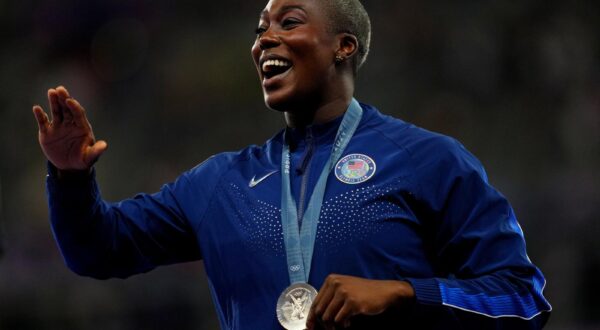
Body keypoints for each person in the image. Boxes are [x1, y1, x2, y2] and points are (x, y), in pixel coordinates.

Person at [33, 0, 552, 329]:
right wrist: (71, 177)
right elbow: (98, 250)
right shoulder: (220, 182)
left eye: (289, 21)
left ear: (343, 46)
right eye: (260, 29)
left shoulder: (429, 160)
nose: (264, 40)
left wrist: (404, 293)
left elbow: (521, 298)